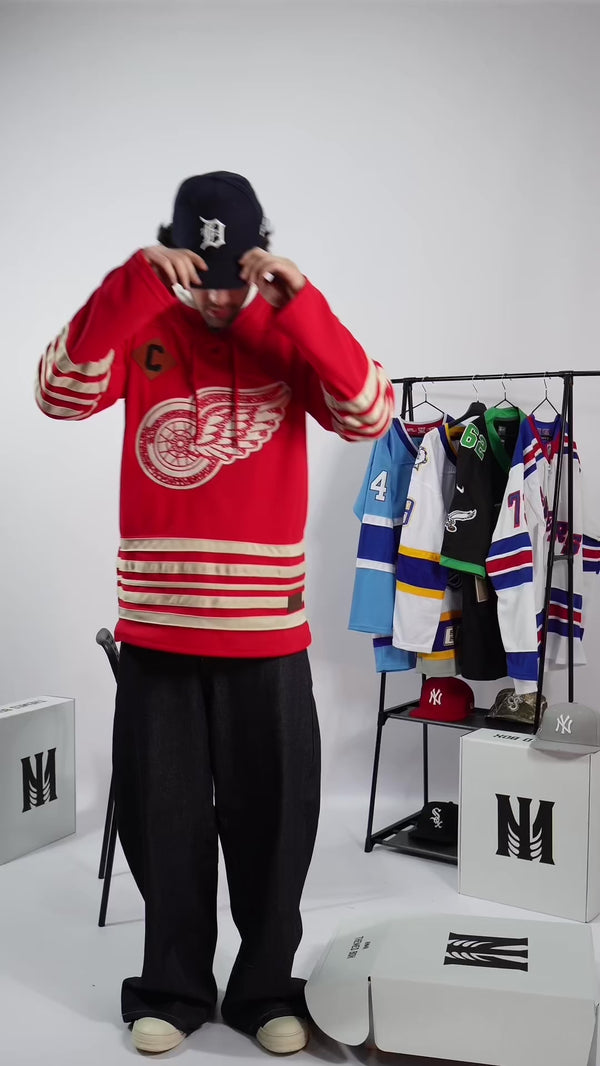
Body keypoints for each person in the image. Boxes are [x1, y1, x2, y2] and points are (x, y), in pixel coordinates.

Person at [35, 171, 394, 1055]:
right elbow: (59, 393)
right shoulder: (143, 318)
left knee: (276, 820)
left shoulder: (285, 327)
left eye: (235, 276)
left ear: (259, 257)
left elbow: (369, 411)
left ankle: (266, 990)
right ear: (174, 258)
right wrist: (131, 285)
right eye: (205, 276)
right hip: (157, 630)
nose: (221, 295)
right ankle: (171, 989)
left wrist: (302, 305)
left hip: (266, 632)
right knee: (164, 821)